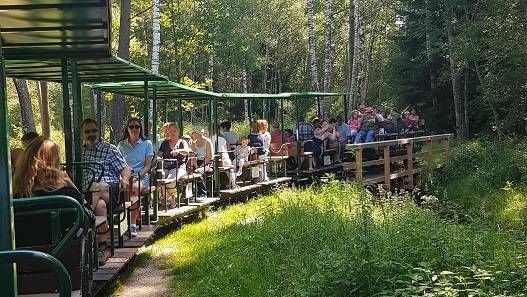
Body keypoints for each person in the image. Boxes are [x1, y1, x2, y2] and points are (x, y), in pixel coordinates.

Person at [12, 137, 98, 263]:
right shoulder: (68, 198)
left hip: (21, 265)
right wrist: (73, 187)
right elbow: (91, 219)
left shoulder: (15, 199)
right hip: (61, 266)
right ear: (55, 164)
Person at [81, 118, 132, 251]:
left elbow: (126, 169)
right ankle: (102, 246)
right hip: (89, 194)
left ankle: (82, 218)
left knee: (96, 185)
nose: (91, 134)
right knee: (100, 206)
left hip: (111, 191)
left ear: (99, 131)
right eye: (87, 131)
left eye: (94, 130)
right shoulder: (79, 152)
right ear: (82, 134)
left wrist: (125, 180)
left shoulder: (109, 149)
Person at [117, 118, 154, 234]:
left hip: (141, 176)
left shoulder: (146, 143)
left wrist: (138, 175)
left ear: (140, 128)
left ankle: (132, 224)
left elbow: (147, 167)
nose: (134, 129)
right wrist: (125, 177)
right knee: (123, 189)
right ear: (127, 129)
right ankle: (124, 221)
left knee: (134, 188)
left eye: (137, 127)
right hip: (125, 176)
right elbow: (118, 164)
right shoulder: (121, 144)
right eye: (131, 127)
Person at [158, 122, 190, 207]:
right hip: (165, 166)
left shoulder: (182, 142)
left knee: (170, 182)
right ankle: (170, 198)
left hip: (178, 167)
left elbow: (187, 152)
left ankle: (165, 198)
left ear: (178, 132)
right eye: (170, 131)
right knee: (158, 182)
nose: (172, 133)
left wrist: (179, 151)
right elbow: (159, 154)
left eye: (174, 131)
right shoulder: (165, 143)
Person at [190, 130, 213, 199]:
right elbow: (193, 156)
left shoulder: (207, 142)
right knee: (188, 172)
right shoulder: (194, 143)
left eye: (194, 133)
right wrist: (195, 165)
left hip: (208, 163)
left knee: (198, 171)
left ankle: (202, 194)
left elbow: (209, 157)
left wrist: (200, 166)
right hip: (197, 163)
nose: (193, 135)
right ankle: (188, 194)